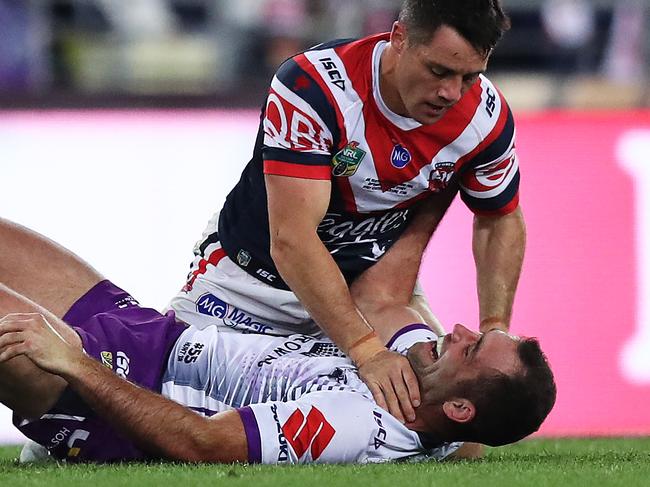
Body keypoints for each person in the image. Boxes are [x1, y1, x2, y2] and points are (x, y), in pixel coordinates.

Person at [168, 0, 526, 424]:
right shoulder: (315, 87)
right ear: (399, 38)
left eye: (470, 76)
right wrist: (366, 351)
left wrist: (495, 325)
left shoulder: (484, 118)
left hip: (372, 296)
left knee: (456, 433)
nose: (452, 93)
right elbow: (292, 239)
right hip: (249, 287)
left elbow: (499, 216)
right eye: (438, 71)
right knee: (169, 419)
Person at [0, 220, 555, 464]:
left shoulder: (358, 427)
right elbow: (388, 295)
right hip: (154, 333)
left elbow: (203, 444)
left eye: (472, 349)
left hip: (112, 389)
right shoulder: (424, 383)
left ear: (460, 406)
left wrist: (75, 365)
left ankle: (55, 436)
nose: (457, 332)